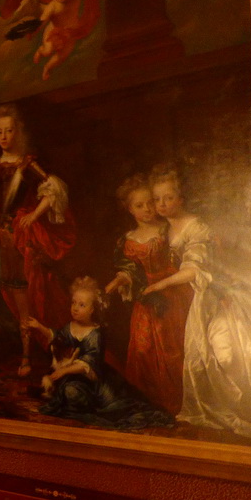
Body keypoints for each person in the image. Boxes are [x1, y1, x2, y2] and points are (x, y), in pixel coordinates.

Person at [143, 165, 251, 439]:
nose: (162, 204)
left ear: (181, 197)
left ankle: (243, 408)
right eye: (157, 199)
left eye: (168, 197)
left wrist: (161, 284)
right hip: (186, 297)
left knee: (223, 353)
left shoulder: (197, 227)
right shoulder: (163, 227)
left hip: (212, 296)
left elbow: (195, 270)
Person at [0, 103, 76, 375]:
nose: (4, 136)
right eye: (0, 131)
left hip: (17, 238)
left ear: (18, 132)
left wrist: (33, 215)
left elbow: (55, 190)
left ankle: (26, 355)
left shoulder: (28, 164)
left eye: (9, 130)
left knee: (21, 297)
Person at [24, 277, 173, 430]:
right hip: (71, 375)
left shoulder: (95, 334)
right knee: (67, 391)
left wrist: (62, 372)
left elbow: (87, 365)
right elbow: (57, 337)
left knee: (79, 395)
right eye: (73, 303)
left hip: (92, 380)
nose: (75, 308)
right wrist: (39, 327)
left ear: (92, 309)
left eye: (81, 305)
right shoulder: (70, 326)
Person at [104, 174, 191, 414]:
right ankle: (149, 400)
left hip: (173, 294)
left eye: (150, 203)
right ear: (129, 209)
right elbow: (128, 270)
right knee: (143, 349)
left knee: (172, 348)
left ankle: (175, 400)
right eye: (139, 205)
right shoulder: (128, 240)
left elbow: (185, 254)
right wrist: (117, 282)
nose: (147, 209)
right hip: (145, 300)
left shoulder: (168, 230)